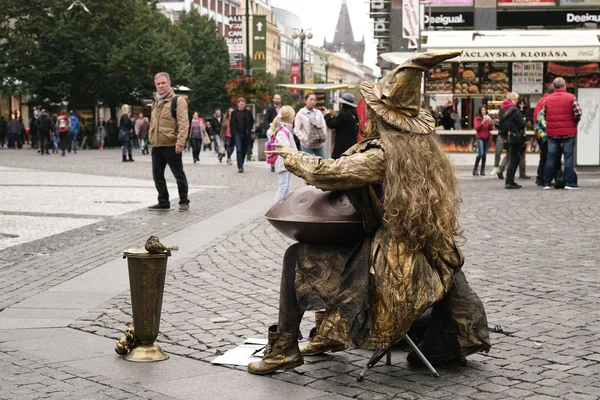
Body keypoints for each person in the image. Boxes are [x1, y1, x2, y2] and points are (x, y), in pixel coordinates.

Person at [251, 51, 490, 375]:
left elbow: (329, 172)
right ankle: (326, 336)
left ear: (381, 116)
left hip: (394, 268)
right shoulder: (423, 152)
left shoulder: (384, 154)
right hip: (424, 257)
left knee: (297, 257)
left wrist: (292, 157)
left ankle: (284, 350)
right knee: (336, 252)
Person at [148, 72, 190, 211]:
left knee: (178, 174)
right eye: (158, 83)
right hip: (157, 144)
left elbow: (184, 123)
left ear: (169, 83)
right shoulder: (155, 102)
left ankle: (184, 200)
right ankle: (163, 201)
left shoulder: (177, 101)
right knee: (157, 175)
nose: (160, 86)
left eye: (163, 83)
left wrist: (180, 142)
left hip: (172, 144)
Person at [542, 77, 582, 190]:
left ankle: (546, 182)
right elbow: (578, 113)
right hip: (569, 132)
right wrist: (574, 122)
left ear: (554, 86)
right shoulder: (571, 97)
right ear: (564, 85)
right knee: (568, 157)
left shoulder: (547, 99)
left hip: (552, 132)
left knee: (551, 157)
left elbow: (545, 114)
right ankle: (570, 183)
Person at [498, 92, 527, 189]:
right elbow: (522, 124)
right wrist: (524, 119)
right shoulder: (514, 110)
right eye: (517, 99)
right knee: (514, 158)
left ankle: (510, 180)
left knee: (515, 158)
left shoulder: (502, 109)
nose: (518, 101)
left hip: (507, 137)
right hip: (515, 137)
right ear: (513, 99)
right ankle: (509, 181)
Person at [269, 106, 297, 203]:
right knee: (283, 186)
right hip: (283, 163)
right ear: (289, 117)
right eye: (293, 116)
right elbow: (285, 148)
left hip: (286, 163)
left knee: (286, 187)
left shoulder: (285, 130)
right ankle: (276, 208)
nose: (294, 118)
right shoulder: (282, 131)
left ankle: (283, 207)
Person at [324, 93, 358, 159]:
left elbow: (331, 124)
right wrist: (336, 116)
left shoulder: (343, 115)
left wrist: (327, 115)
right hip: (352, 146)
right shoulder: (354, 115)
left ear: (343, 104)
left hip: (342, 147)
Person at [533, 85, 554, 186]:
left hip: (539, 133)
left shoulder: (541, 100)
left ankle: (540, 177)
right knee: (547, 156)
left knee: (543, 156)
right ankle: (542, 178)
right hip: (546, 133)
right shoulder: (548, 101)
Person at [294, 93, 327, 158]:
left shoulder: (318, 113)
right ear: (305, 101)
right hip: (306, 145)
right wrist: (305, 139)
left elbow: (323, 125)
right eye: (311, 100)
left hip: (319, 143)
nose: (313, 102)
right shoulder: (300, 114)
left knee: (324, 162)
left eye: (314, 100)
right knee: (307, 164)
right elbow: (297, 129)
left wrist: (323, 135)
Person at [230, 97, 254, 173]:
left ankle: (242, 162)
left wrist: (249, 129)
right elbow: (231, 123)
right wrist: (232, 132)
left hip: (246, 134)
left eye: (243, 104)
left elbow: (252, 121)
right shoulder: (234, 112)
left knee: (244, 150)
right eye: (240, 104)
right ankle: (240, 166)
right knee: (239, 149)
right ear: (238, 104)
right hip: (237, 133)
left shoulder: (248, 112)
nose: (242, 105)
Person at [473, 106, 493, 176]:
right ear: (480, 111)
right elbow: (477, 128)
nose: (483, 111)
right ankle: (475, 169)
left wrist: (490, 123)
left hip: (486, 138)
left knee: (484, 154)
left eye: (484, 110)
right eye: (482, 110)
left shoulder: (487, 118)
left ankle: (482, 170)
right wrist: (482, 122)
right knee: (480, 153)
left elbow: (490, 129)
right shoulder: (477, 118)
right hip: (480, 138)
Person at [264, 94, 282, 171]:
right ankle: (272, 163)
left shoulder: (283, 108)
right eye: (276, 99)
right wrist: (269, 128)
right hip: (272, 130)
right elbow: (266, 119)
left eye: (279, 98)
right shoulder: (270, 109)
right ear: (273, 100)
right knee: (272, 146)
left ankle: (281, 162)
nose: (277, 100)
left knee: (281, 146)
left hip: (281, 130)